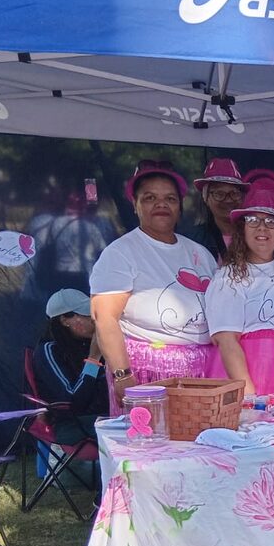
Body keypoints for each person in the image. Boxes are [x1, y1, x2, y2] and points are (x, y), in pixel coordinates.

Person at [90, 159, 218, 407]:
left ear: (180, 207)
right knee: (153, 443)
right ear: (135, 205)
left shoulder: (200, 254)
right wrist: (122, 375)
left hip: (203, 373)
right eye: (149, 198)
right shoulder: (121, 253)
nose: (161, 204)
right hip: (147, 375)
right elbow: (104, 318)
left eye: (170, 198)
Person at [205, 179, 274, 408]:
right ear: (241, 228)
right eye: (253, 220)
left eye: (271, 221)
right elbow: (227, 341)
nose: (262, 228)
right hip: (251, 382)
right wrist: (249, 398)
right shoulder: (229, 277)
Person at [32, 288, 109, 443]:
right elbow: (72, 402)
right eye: (86, 314)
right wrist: (94, 358)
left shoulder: (85, 344)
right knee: (128, 427)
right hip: (70, 425)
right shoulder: (48, 350)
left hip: (102, 417)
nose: (93, 319)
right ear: (65, 320)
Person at [192, 158, 249, 263]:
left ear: (242, 198)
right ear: (206, 198)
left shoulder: (255, 234)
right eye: (219, 194)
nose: (228, 200)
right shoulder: (193, 239)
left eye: (234, 193)